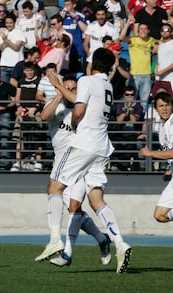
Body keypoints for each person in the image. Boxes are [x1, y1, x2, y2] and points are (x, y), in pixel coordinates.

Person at [46, 48, 132, 274]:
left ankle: (55, 239)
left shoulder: (86, 80)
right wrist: (58, 84)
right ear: (111, 67)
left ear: (92, 63)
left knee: (54, 186)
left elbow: (79, 109)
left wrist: (74, 124)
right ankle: (120, 243)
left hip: (83, 144)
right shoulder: (107, 85)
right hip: (102, 147)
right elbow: (79, 98)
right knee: (96, 200)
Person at [35, 73, 112, 265]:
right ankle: (102, 239)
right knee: (74, 210)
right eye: (68, 88)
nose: (72, 92)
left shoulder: (82, 109)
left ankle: (63, 249)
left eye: (74, 89)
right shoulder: (57, 104)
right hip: (60, 164)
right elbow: (43, 116)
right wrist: (60, 93)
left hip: (79, 162)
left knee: (74, 207)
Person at [140, 92, 173, 225]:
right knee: (160, 215)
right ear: (156, 109)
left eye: (167, 105)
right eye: (161, 106)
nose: (164, 109)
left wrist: (150, 153)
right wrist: (169, 170)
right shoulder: (163, 128)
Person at [10, 61, 42, 171]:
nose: (29, 73)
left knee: (37, 136)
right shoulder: (21, 81)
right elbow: (18, 96)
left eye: (31, 70)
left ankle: (38, 161)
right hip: (22, 111)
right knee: (19, 136)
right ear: (24, 71)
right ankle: (18, 162)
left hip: (35, 111)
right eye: (27, 70)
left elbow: (40, 96)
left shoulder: (39, 81)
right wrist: (18, 106)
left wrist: (35, 108)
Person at [119, 16, 156, 110]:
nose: (143, 31)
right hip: (134, 75)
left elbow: (161, 43)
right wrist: (127, 24)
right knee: (131, 101)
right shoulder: (134, 40)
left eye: (145, 29)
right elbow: (121, 38)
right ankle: (130, 123)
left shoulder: (151, 40)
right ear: (138, 31)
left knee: (144, 102)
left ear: (148, 31)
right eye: (141, 29)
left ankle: (143, 122)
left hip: (147, 75)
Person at [110, 85, 144, 171]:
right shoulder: (119, 105)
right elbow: (119, 121)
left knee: (129, 144)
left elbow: (134, 121)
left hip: (132, 133)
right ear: (124, 95)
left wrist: (131, 109)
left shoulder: (139, 107)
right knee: (116, 142)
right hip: (120, 132)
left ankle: (126, 165)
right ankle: (117, 165)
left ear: (134, 95)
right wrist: (125, 109)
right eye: (127, 94)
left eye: (131, 95)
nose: (129, 97)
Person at [83, 5, 119, 75]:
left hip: (105, 60)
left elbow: (117, 46)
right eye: (98, 15)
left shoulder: (112, 28)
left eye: (103, 14)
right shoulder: (91, 26)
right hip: (92, 59)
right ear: (96, 16)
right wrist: (90, 55)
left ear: (106, 15)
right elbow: (85, 44)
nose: (101, 17)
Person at [60, 0, 87, 74]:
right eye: (65, 5)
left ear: (74, 5)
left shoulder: (80, 16)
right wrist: (60, 19)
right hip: (63, 51)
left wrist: (76, 18)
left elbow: (86, 30)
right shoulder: (60, 15)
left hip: (76, 51)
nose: (66, 7)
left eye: (68, 5)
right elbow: (54, 30)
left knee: (77, 74)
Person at [0, 13, 25, 83]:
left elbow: (16, 47)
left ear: (14, 23)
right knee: (4, 88)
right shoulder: (4, 33)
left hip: (16, 65)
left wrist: (6, 40)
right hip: (4, 65)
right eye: (6, 23)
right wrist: (4, 41)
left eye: (10, 23)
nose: (8, 25)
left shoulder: (19, 33)